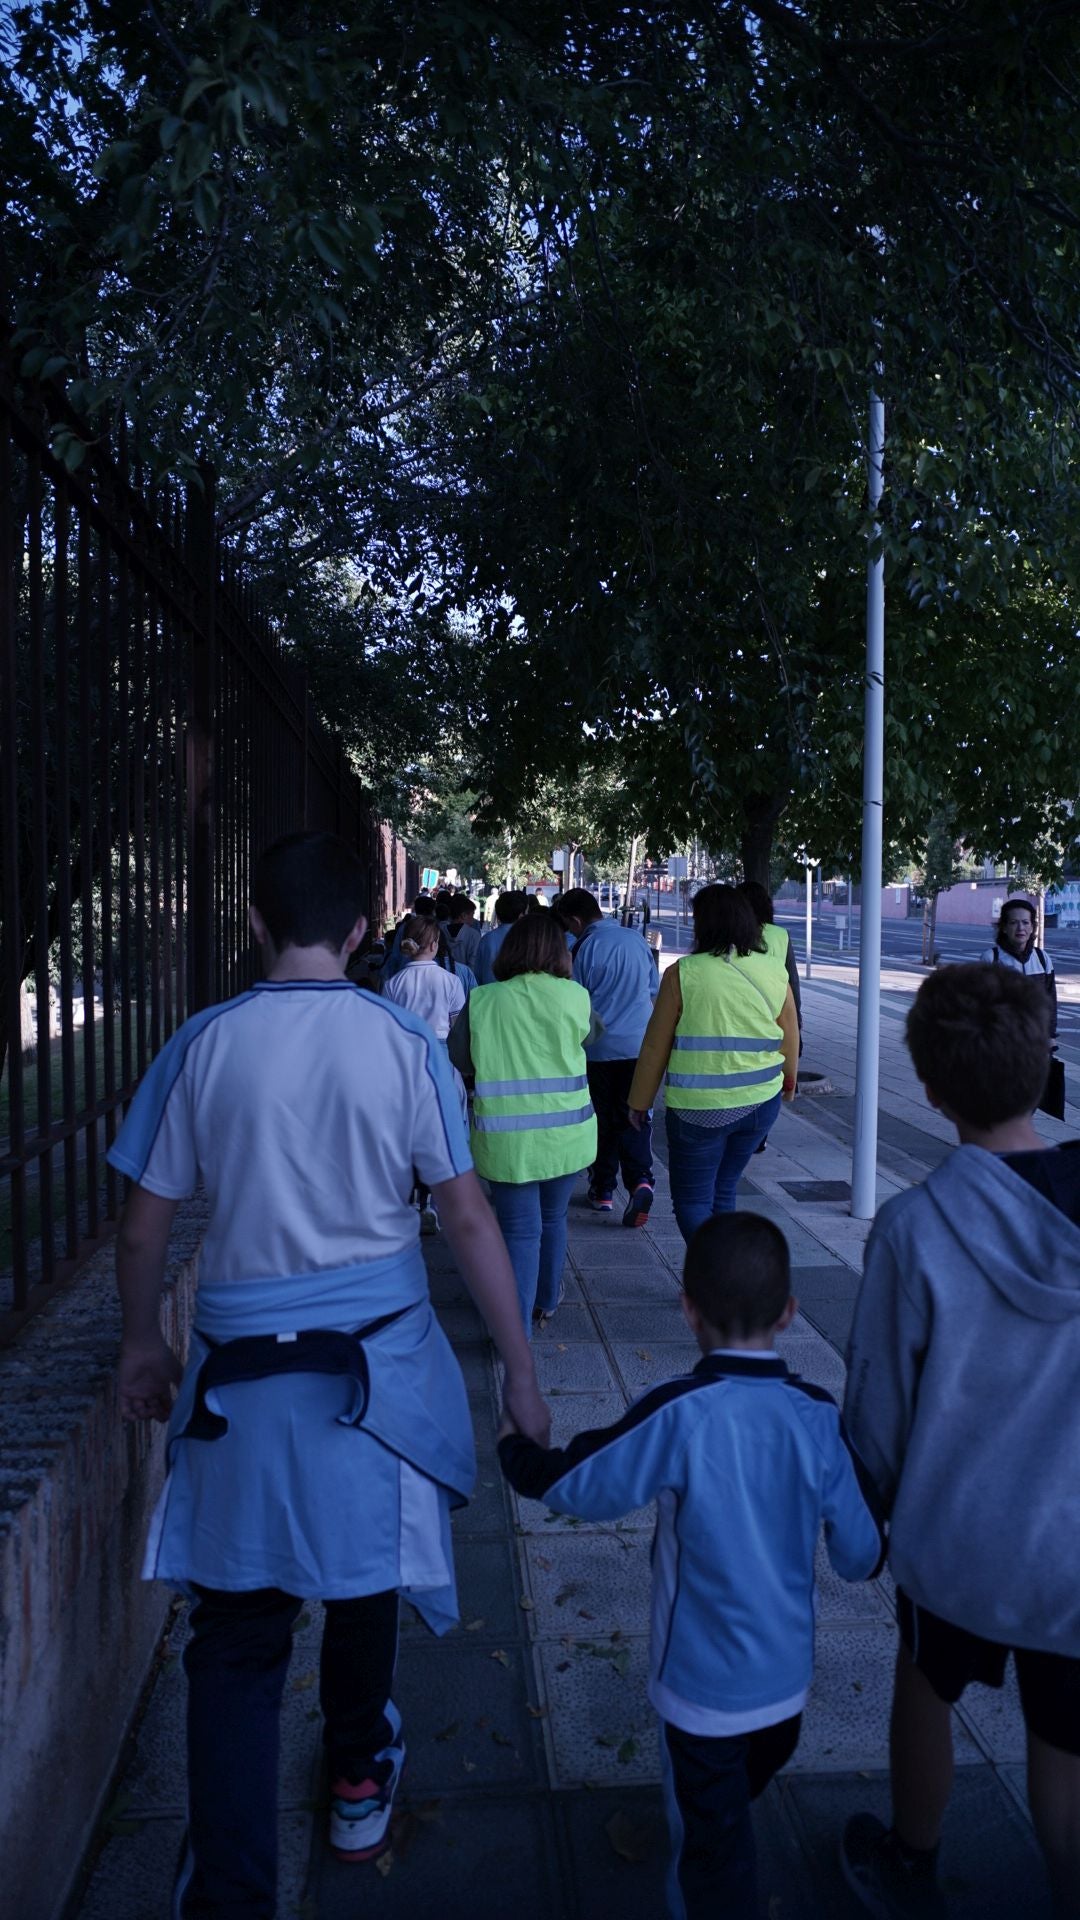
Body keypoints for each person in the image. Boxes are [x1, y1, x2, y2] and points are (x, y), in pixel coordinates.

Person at [109, 831, 548, 1917]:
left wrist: (141, 1342)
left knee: (240, 1631)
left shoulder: (201, 1044)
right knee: (363, 1582)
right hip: (377, 1377)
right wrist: (522, 1371)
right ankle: (357, 1774)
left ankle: (230, 1884)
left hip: (236, 1390)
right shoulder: (403, 1041)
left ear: (256, 922)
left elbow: (141, 1230)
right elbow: (466, 1212)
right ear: (361, 933)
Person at [499, 1211, 884, 1920]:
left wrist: (517, 1452)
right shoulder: (816, 1416)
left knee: (711, 1856)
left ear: (687, 1309)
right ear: (791, 1313)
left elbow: (586, 1483)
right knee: (735, 1798)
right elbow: (860, 1555)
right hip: (786, 1688)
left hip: (702, 1694)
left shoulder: (679, 1412)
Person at [840, 963, 1080, 1920]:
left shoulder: (914, 1228)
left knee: (924, 1687)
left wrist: (866, 1512)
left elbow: (879, 1411)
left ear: (930, 1091)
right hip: (1074, 1557)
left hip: (963, 1544)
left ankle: (912, 1857)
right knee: (1065, 1749)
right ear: (1046, 1065)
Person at [449, 912, 596, 1330]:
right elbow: (593, 1037)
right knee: (553, 1217)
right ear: (560, 952)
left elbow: (460, 1058)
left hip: (508, 1138)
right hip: (567, 1134)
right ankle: (547, 1299)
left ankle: (516, 1332)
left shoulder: (482, 1000)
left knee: (518, 1230)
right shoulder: (575, 996)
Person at [628, 885, 799, 1241]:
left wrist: (639, 1103)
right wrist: (789, 1082)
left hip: (698, 1111)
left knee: (691, 1202)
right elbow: (790, 1036)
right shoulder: (773, 971)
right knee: (723, 1192)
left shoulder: (683, 973)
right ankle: (724, 1276)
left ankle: (717, 1283)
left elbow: (655, 1046)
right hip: (759, 1107)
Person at [558, 885, 659, 1226]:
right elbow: (653, 991)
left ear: (575, 919)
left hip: (598, 1049)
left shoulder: (583, 947)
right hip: (638, 1048)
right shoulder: (635, 940)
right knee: (634, 1115)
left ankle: (602, 1190)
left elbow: (575, 1000)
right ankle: (641, 1180)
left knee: (601, 1119)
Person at [981, 895, 1057, 1034]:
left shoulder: (1042, 958)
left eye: (1026, 922)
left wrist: (1050, 1037)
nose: (1020, 928)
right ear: (1004, 927)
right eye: (1014, 922)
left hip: (1035, 1040)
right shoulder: (991, 959)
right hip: (1002, 1041)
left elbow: (1050, 1002)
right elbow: (982, 1007)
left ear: (1032, 927)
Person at [738, 880, 802, 1039]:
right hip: (776, 1009)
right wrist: (797, 1021)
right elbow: (793, 982)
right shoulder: (780, 935)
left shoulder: (734, 933)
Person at [474, 888, 528, 985]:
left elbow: (478, 974)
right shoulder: (527, 938)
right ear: (521, 915)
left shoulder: (487, 939)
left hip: (490, 994)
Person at [448, 892, 482, 971]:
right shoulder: (473, 935)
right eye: (472, 915)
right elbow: (473, 963)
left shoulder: (440, 931)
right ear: (463, 915)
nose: (473, 920)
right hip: (465, 979)